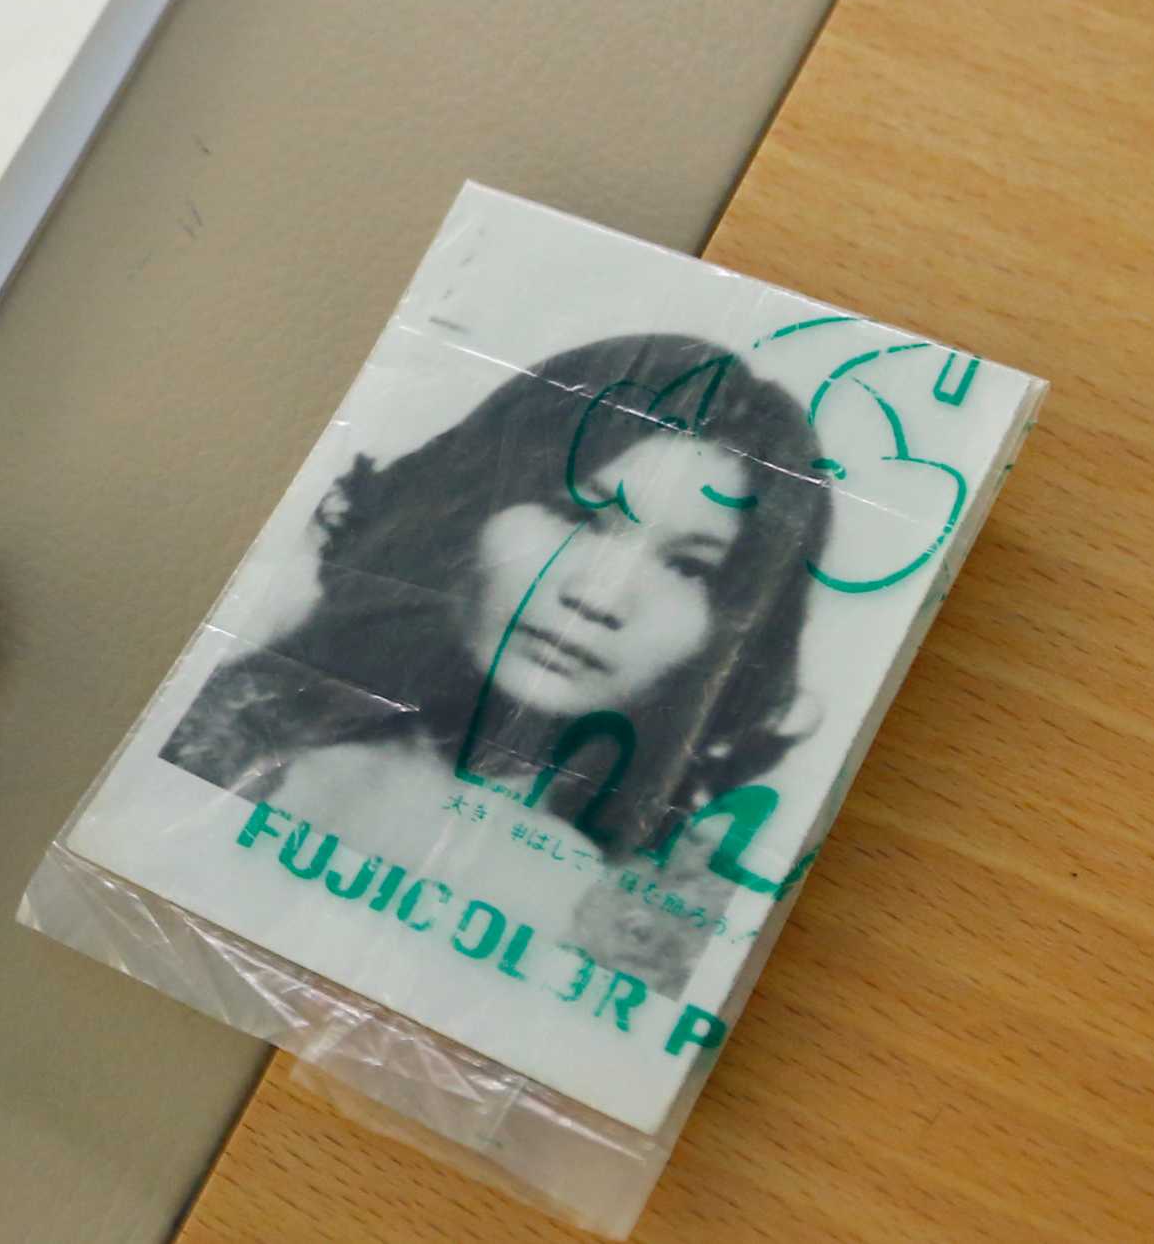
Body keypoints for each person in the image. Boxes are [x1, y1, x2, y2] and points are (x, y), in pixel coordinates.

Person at [162, 331, 833, 982]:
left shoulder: (672, 932)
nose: (600, 598)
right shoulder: (219, 734)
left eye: (689, 568)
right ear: (473, 502)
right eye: (578, 516)